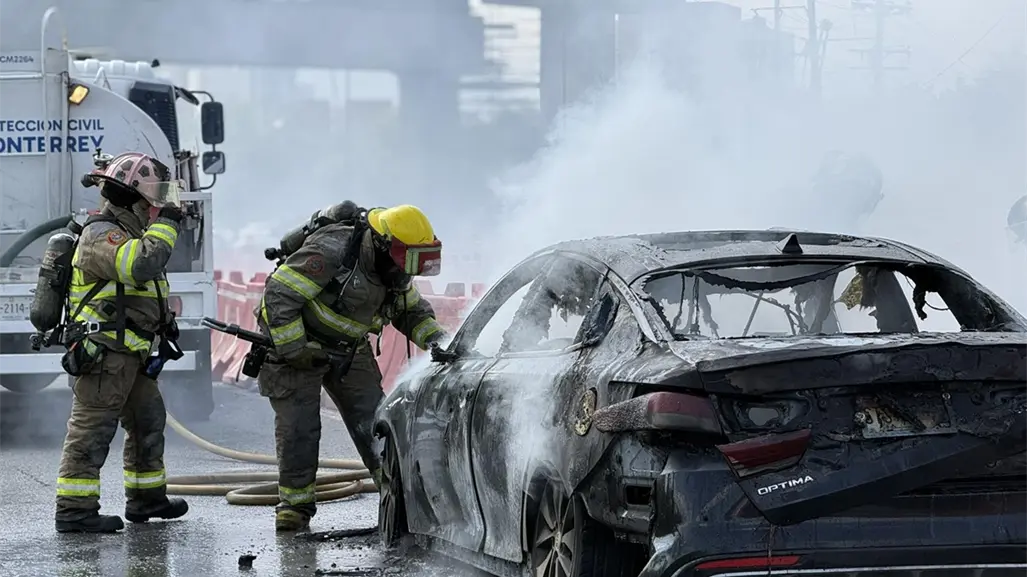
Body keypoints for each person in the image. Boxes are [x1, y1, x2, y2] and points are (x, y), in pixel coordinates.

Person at [257, 203, 448, 531]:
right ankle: (295, 508)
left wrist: (441, 344)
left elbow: (412, 312)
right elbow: (278, 296)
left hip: (348, 349)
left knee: (375, 421)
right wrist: (295, 350)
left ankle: (398, 497)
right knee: (299, 428)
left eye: (415, 262)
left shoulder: (394, 269)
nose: (409, 270)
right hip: (296, 346)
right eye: (407, 260)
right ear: (381, 244)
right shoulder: (331, 251)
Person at [54, 151, 189, 533]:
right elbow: (139, 265)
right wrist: (168, 224)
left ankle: (146, 500)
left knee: (149, 422)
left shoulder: (130, 233)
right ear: (135, 197)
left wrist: (164, 325)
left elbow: (144, 289)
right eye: (151, 202)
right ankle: (74, 511)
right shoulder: (102, 234)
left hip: (131, 354)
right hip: (105, 357)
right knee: (92, 430)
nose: (155, 209)